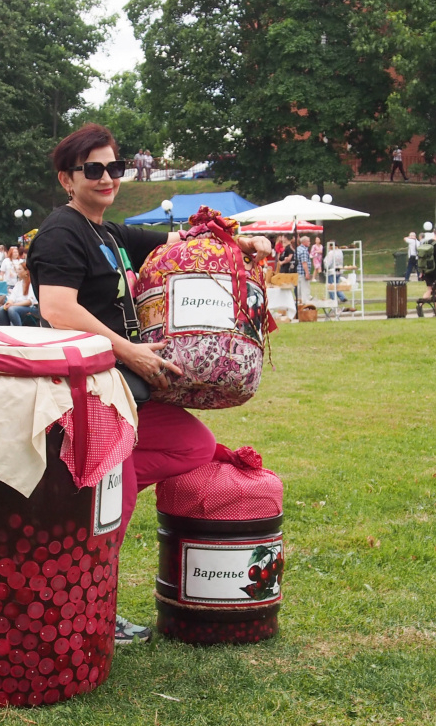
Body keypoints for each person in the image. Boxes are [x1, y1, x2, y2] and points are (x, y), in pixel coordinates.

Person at [27, 123, 271, 644]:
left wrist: (244, 243)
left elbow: (185, 241)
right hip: (87, 388)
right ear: (67, 179)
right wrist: (130, 351)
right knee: (115, 487)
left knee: (193, 444)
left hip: (126, 389)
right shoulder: (60, 232)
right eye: (93, 169)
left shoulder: (108, 233)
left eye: (114, 167)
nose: (108, 177)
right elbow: (57, 308)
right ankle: (91, 603)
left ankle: (98, 488)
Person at [0, 261, 38, 326]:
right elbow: (12, 297)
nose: (17, 271)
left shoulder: (32, 284)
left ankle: (18, 330)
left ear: (26, 272)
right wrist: (9, 303)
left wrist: (13, 305)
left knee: (12, 309)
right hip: (17, 306)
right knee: (1, 309)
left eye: (20, 269)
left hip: (31, 308)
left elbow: (29, 302)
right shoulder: (18, 284)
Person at [295, 235, 312, 304]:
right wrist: (307, 273)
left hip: (298, 272)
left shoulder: (298, 249)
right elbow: (304, 262)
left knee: (299, 290)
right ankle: (305, 303)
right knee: (305, 289)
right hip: (303, 273)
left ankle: (299, 303)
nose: (309, 243)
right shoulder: (304, 250)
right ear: (304, 242)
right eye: (308, 241)